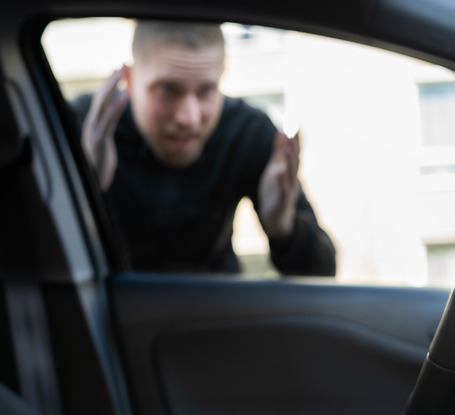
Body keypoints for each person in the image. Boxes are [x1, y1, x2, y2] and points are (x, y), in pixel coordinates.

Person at [72, 20, 336, 275]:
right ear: (129, 81)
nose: (189, 117)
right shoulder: (89, 129)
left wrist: (285, 227)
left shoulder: (246, 132)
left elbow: (323, 272)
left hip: (215, 310)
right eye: (168, 89)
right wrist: (83, 186)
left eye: (206, 90)